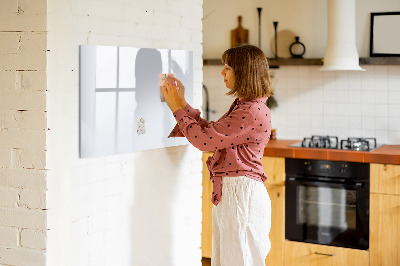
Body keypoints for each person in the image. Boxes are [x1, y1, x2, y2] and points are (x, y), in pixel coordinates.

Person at [161, 44, 273, 266]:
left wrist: (176, 108)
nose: (222, 72)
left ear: (244, 72)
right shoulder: (246, 106)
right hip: (236, 193)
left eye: (228, 67)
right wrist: (182, 103)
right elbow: (212, 133)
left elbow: (204, 141)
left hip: (241, 195)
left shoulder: (250, 111)